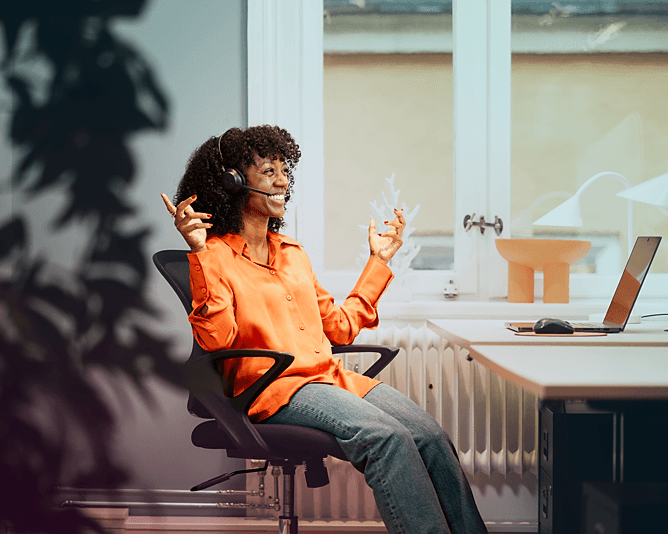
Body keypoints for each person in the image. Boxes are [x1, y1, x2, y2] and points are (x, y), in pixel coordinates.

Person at [161, 125, 487, 534]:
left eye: (285, 170)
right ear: (235, 182)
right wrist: (199, 251)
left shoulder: (292, 254)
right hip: (273, 387)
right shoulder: (215, 257)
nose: (283, 181)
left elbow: (340, 327)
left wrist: (378, 263)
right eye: (269, 171)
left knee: (430, 437)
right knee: (385, 437)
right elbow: (217, 340)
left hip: (328, 378)